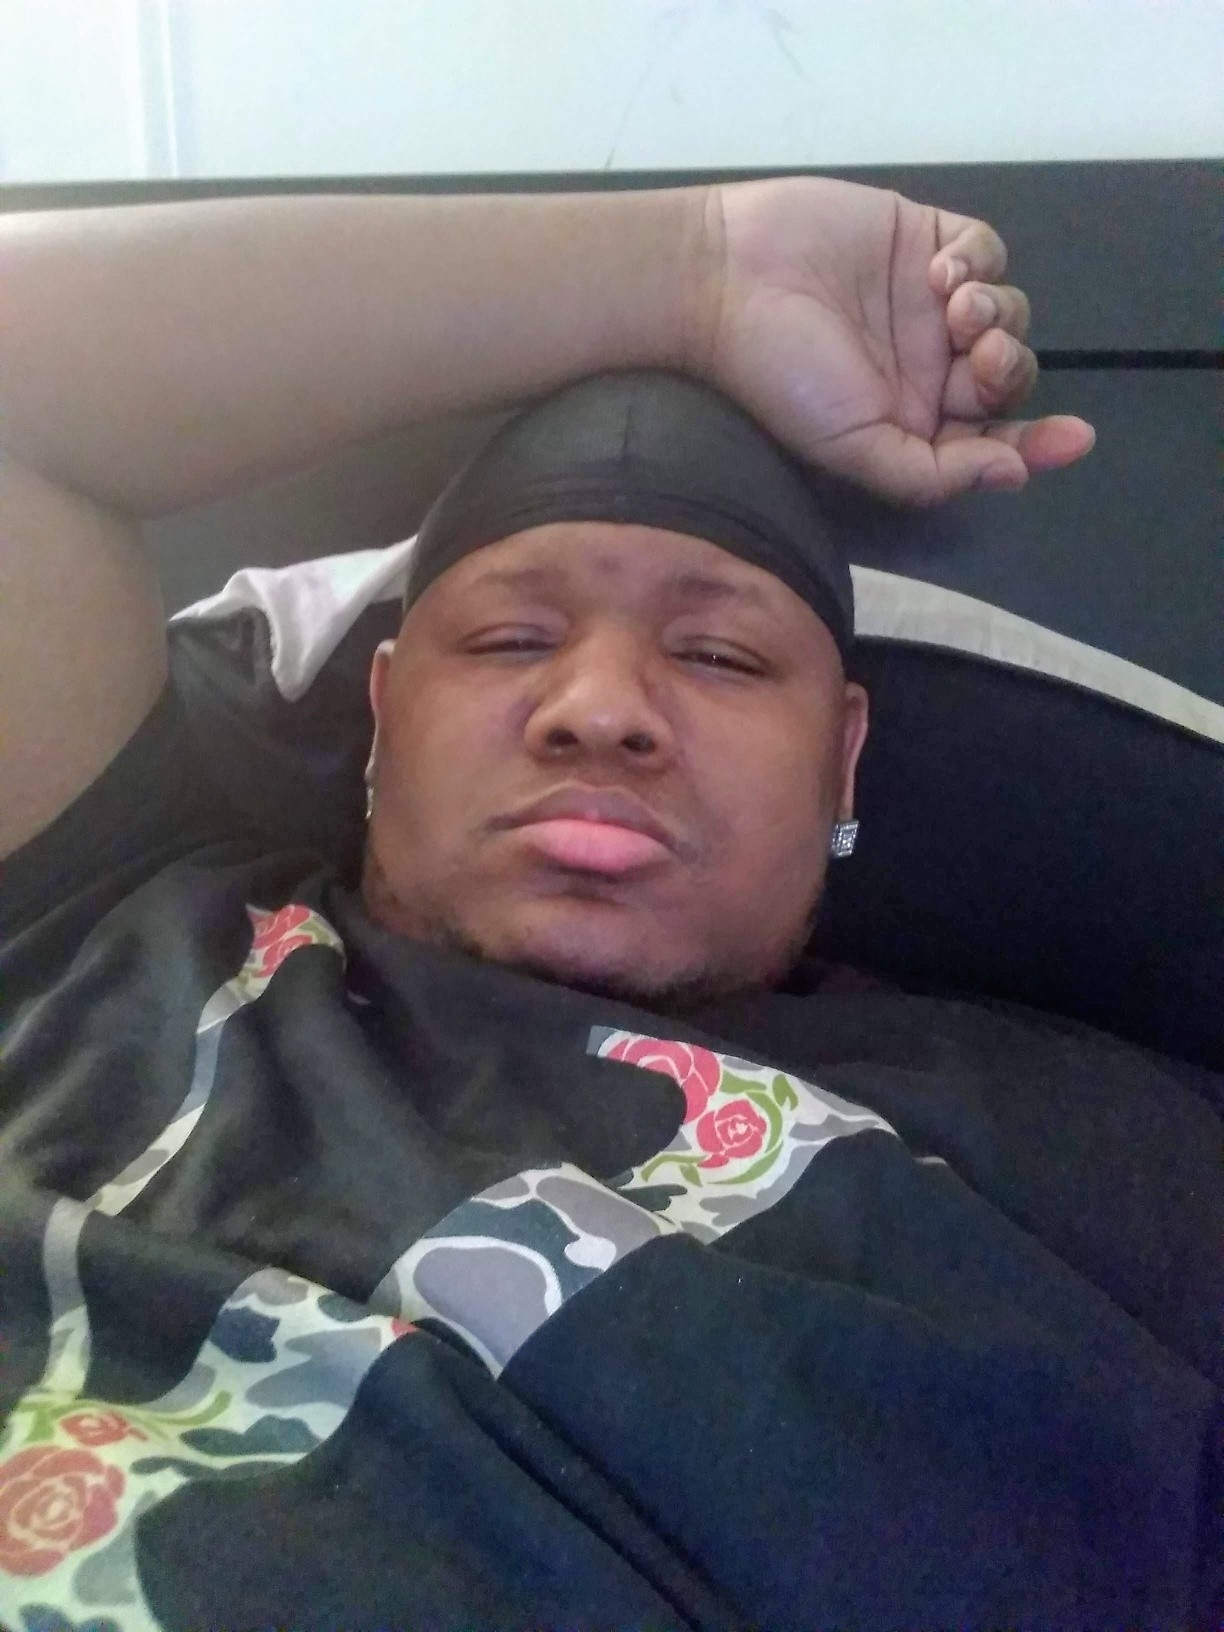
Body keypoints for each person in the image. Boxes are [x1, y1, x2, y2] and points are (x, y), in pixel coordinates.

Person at [0, 181, 1218, 1630]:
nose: (598, 708)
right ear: (382, 711)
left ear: (842, 755)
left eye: (720, 658)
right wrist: (694, 269)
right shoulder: (105, 917)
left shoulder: (1119, 1144)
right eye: (510, 638)